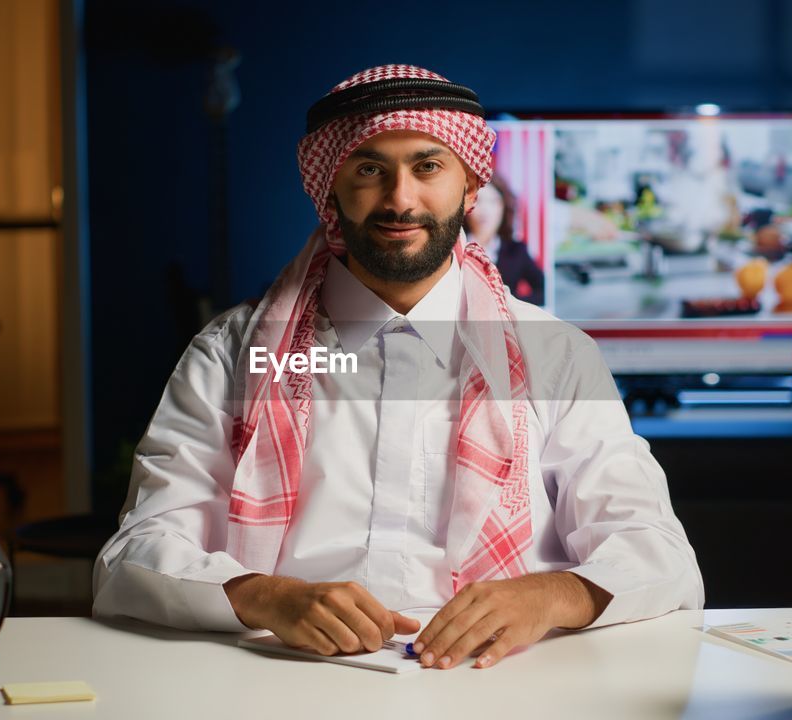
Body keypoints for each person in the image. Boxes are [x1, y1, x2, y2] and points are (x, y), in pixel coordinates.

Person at [93, 65, 703, 671]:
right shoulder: (234, 352)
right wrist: (262, 595)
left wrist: (551, 593)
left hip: (505, 687)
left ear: (470, 187)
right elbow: (134, 555)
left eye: (428, 166)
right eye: (369, 169)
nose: (400, 199)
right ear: (329, 189)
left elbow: (657, 552)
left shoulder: (554, 354)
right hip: (277, 678)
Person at [464, 174, 545, 305]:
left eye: (493, 202)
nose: (485, 210)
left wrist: (510, 306)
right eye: (478, 201)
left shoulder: (516, 251)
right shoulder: (453, 248)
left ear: (503, 207)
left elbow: (544, 291)